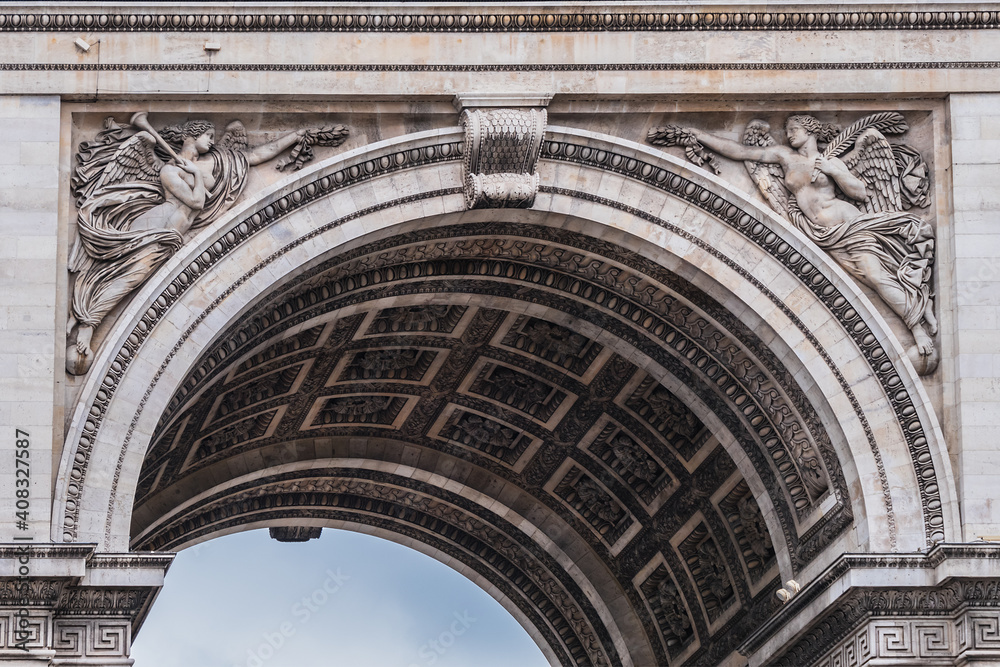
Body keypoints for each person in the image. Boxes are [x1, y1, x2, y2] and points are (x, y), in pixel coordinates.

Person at [681, 116, 937, 363]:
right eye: (788, 129)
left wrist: (832, 172)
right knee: (869, 277)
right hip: (822, 235)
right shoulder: (784, 156)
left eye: (794, 128)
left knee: (875, 276)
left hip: (848, 224)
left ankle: (917, 328)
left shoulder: (832, 161)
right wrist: (701, 136)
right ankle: (917, 305)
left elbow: (859, 192)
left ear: (810, 130)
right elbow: (741, 152)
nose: (789, 132)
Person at [66, 118, 307, 375]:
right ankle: (89, 323)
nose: (213, 141)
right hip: (156, 227)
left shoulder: (217, 161)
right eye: (209, 136)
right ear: (193, 136)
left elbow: (257, 155)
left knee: (130, 276)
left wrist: (295, 135)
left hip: (171, 234)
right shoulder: (169, 170)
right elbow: (196, 202)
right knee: (129, 276)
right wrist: (194, 174)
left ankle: (90, 319)